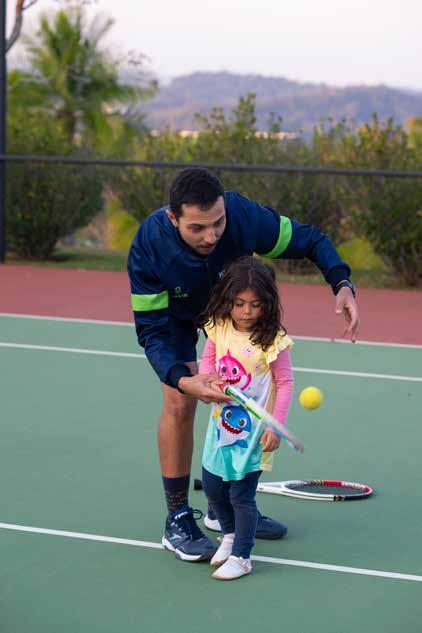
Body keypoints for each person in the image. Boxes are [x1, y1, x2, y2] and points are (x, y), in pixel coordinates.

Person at [127, 167, 359, 563]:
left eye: (217, 223)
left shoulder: (243, 216)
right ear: (172, 218)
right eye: (197, 228)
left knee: (245, 396)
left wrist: (342, 283)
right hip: (177, 318)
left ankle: (224, 509)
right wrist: (183, 379)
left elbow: (311, 239)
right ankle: (177, 519)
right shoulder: (150, 244)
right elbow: (152, 331)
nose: (211, 236)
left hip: (232, 311)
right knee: (180, 401)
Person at [198, 256, 294, 580]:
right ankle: (228, 534)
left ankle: (242, 556)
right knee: (213, 486)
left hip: (254, 433)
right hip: (220, 425)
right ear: (228, 300)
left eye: (255, 304)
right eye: (239, 304)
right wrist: (208, 380)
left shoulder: (272, 340)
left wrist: (274, 426)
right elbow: (208, 360)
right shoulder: (219, 325)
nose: (246, 312)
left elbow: (285, 383)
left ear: (268, 303)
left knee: (241, 495)